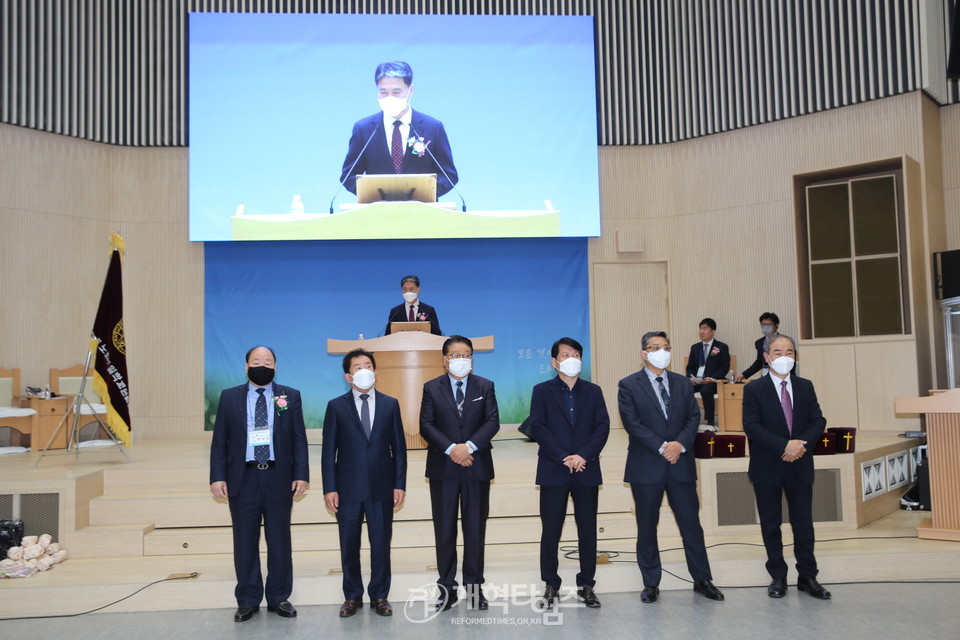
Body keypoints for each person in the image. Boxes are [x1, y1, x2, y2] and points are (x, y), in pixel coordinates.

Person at [617, 331, 724, 604]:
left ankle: (702, 579)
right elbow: (632, 423)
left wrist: (679, 444)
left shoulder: (682, 383)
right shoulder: (628, 385)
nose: (661, 352)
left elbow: (693, 417)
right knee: (647, 526)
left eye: (666, 347)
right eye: (655, 347)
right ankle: (651, 583)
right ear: (644, 353)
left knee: (691, 525)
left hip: (681, 464)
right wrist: (664, 447)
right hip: (647, 465)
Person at [209, 346, 309, 622]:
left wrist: (301, 474)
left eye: (267, 361)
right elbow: (220, 440)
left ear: (276, 366)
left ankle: (279, 597)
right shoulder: (229, 397)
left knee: (279, 540)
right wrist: (217, 476)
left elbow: (299, 438)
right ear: (246, 367)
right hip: (243, 478)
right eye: (256, 361)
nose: (261, 365)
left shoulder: (290, 395)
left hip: (279, 478)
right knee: (244, 541)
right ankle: (248, 598)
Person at [741, 335, 831, 600]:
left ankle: (808, 576)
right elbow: (751, 426)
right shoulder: (754, 389)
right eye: (778, 352)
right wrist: (784, 446)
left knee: (803, 523)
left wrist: (799, 445)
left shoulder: (805, 386)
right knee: (771, 524)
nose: (784, 357)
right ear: (767, 357)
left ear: (795, 357)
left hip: (800, 463)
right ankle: (778, 576)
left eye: (789, 352)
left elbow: (818, 419)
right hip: (767, 465)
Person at [321, 348, 407, 618]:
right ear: (348, 376)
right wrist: (329, 488)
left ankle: (380, 595)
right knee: (349, 544)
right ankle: (352, 596)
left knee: (381, 543)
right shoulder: (336, 406)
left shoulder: (390, 404)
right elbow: (328, 452)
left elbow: (399, 449)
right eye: (357, 366)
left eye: (367, 364)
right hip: (347, 489)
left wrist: (399, 484)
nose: (363, 370)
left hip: (382, 487)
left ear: (376, 371)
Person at [419, 335, 500, 612]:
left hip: (476, 467)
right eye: (455, 355)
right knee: (444, 531)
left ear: (472, 359)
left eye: (466, 354)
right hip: (444, 467)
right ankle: (446, 590)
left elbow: (492, 421)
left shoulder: (485, 386)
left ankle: (475, 589)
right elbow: (426, 425)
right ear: (445, 360)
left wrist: (470, 447)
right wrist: (453, 449)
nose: (461, 359)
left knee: (475, 530)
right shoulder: (431, 387)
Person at [529, 337, 610, 608]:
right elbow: (538, 427)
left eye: (576, 353)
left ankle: (586, 584)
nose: (571, 358)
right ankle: (551, 584)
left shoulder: (594, 391)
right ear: (554, 362)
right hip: (554, 468)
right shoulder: (541, 390)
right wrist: (564, 456)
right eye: (566, 354)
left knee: (587, 529)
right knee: (551, 529)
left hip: (586, 468)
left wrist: (583, 455)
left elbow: (602, 427)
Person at [340, 61, 458, 197]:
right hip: (377, 211)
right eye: (383, 92)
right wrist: (376, 196)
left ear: (410, 90)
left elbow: (449, 176)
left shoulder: (432, 127)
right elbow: (348, 177)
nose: (389, 98)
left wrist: (422, 194)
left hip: (422, 211)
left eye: (396, 92)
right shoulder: (363, 129)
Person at [684, 318, 731, 427]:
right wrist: (690, 378)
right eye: (700, 329)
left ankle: (710, 422)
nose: (701, 331)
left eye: (705, 328)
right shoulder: (695, 348)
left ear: (713, 331)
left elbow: (724, 368)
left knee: (706, 390)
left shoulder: (721, 347)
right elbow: (690, 367)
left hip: (712, 382)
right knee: (684, 388)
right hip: (697, 381)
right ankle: (688, 420)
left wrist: (712, 379)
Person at [737, 312, 780, 381]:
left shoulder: (784, 341)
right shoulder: (759, 343)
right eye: (763, 324)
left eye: (769, 324)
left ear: (776, 326)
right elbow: (759, 362)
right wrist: (745, 374)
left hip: (780, 377)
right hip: (765, 377)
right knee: (750, 387)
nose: (766, 327)